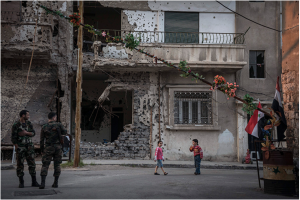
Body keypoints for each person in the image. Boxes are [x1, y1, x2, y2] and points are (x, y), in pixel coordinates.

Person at [11, 110, 40, 188]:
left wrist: (26, 133)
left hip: (29, 147)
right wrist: (17, 147)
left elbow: (33, 133)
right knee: (20, 165)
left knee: (32, 164)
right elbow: (13, 138)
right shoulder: (16, 125)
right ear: (23, 115)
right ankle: (21, 182)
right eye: (28, 115)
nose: (29, 116)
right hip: (20, 147)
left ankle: (34, 182)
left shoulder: (29, 124)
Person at [39, 112, 67, 189]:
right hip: (57, 147)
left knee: (45, 165)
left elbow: (41, 140)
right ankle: (56, 183)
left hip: (48, 147)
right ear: (54, 117)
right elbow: (65, 132)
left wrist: (42, 149)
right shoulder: (59, 125)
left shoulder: (44, 126)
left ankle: (43, 183)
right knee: (57, 165)